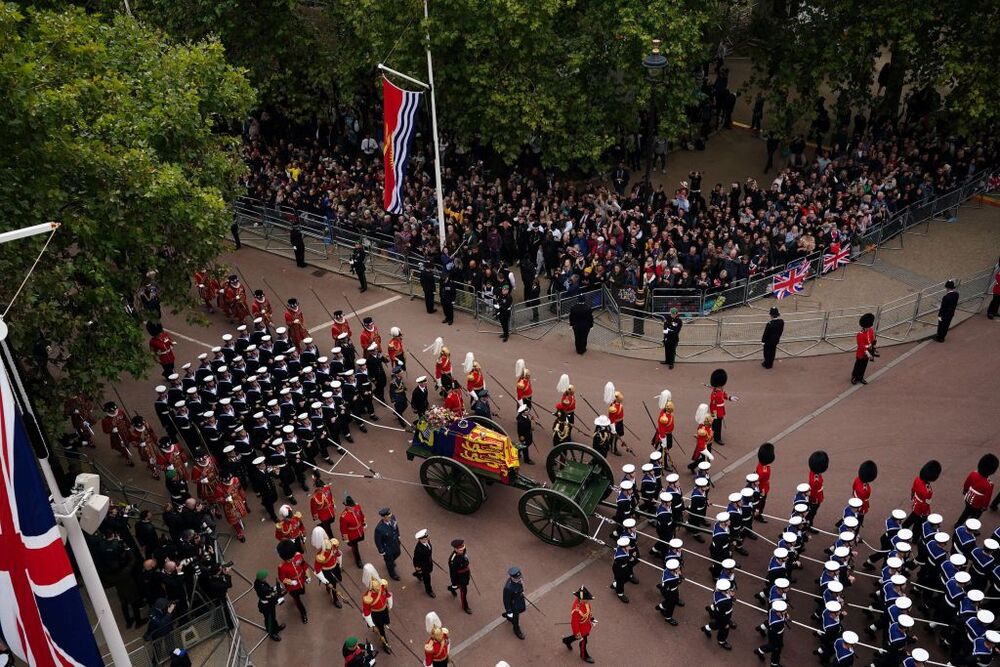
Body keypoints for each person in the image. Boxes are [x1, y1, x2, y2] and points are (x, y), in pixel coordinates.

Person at [361, 563, 394, 654]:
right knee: (381, 630)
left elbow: (387, 594)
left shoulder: (382, 585)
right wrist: (372, 625)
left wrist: (390, 604)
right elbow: (366, 612)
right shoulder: (367, 597)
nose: (378, 588)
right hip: (376, 614)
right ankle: (385, 644)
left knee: (386, 621)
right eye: (376, 587)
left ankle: (378, 625)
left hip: (384, 609)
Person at [276, 538, 310, 624]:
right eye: (288, 559)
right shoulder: (281, 567)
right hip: (292, 587)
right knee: (297, 600)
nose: (290, 560)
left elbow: (304, 565)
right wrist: (290, 582)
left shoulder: (298, 556)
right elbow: (282, 578)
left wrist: (308, 575)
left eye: (291, 557)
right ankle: (303, 613)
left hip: (301, 580)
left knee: (302, 591)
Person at [311, 527, 344, 608]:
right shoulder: (320, 556)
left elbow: (338, 554)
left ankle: (329, 588)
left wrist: (340, 565)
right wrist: (326, 582)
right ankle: (335, 599)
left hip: (335, 567)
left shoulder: (333, 544)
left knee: (336, 582)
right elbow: (317, 571)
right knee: (333, 586)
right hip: (327, 571)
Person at [562, 586, 595, 662]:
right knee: (583, 642)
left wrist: (592, 619)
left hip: (586, 625)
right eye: (587, 599)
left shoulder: (585, 602)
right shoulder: (576, 610)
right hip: (581, 629)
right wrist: (578, 634)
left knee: (578, 638)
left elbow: (588, 611)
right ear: (581, 599)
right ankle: (584, 656)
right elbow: (574, 624)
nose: (588, 600)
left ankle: (567, 641)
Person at [962, 454, 997, 522]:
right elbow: (987, 498)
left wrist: (965, 490)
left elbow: (967, 483)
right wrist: (984, 507)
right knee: (975, 516)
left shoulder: (973, 473)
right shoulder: (989, 484)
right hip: (978, 504)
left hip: (968, 498)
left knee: (965, 513)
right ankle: (970, 527)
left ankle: (958, 525)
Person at [701, 578, 735, 650]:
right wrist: (731, 597)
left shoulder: (717, 592)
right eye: (728, 589)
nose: (729, 590)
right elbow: (721, 613)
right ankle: (721, 641)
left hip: (723, 613)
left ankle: (706, 628)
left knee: (717, 625)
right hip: (723, 616)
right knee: (724, 628)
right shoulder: (724, 601)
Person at [754, 599, 788, 666]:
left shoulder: (772, 610)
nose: (785, 612)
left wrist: (784, 616)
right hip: (776, 635)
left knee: (774, 645)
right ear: (778, 612)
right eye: (783, 611)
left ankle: (761, 651)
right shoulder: (778, 623)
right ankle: (773, 663)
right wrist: (785, 619)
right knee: (776, 648)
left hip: (772, 632)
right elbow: (782, 622)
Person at [374, 507, 402, 581]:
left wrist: (398, 535)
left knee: (398, 553)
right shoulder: (379, 528)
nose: (390, 517)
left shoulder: (392, 517)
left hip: (395, 543)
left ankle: (390, 561)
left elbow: (396, 527)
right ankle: (392, 574)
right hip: (387, 548)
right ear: (383, 517)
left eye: (390, 515)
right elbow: (377, 541)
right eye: (388, 516)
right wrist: (381, 551)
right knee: (389, 562)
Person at [339, 495, 367, 568]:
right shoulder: (344, 516)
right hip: (352, 534)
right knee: (355, 548)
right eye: (351, 506)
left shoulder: (357, 506)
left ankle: (350, 543)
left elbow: (361, 515)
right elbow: (343, 529)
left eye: (353, 506)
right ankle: (358, 561)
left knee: (361, 538)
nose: (353, 507)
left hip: (360, 529)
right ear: (346, 506)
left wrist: (363, 523)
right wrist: (346, 538)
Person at [448, 539, 472, 614]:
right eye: (460, 550)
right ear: (455, 549)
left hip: (466, 574)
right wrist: (454, 582)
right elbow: (452, 573)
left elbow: (466, 558)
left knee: (457, 587)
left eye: (463, 549)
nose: (462, 551)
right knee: (464, 592)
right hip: (459, 577)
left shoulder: (463, 550)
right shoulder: (453, 560)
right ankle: (465, 606)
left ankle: (451, 588)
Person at [851, 312, 876, 385]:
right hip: (861, 353)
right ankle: (854, 377)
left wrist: (874, 346)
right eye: (868, 327)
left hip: (868, 351)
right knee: (858, 366)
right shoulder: (860, 335)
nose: (869, 328)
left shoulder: (870, 330)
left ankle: (861, 377)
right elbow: (861, 346)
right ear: (864, 326)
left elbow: (872, 339)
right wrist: (869, 354)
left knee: (864, 366)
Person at [502, 566, 526, 640]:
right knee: (516, 618)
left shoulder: (518, 580)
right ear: (512, 578)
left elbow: (520, 588)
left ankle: (507, 616)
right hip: (514, 605)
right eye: (517, 578)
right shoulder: (508, 588)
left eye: (519, 577)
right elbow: (506, 601)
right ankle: (516, 630)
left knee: (522, 609)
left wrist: (522, 592)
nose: (519, 579)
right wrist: (509, 611)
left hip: (519, 600)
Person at [413, 528, 436, 597]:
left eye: (426, 537)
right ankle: (429, 590)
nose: (427, 539)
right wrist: (417, 567)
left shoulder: (427, 541)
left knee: (426, 572)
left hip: (428, 562)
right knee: (427, 578)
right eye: (424, 538)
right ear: (420, 539)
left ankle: (418, 574)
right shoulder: (418, 549)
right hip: (423, 565)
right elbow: (416, 559)